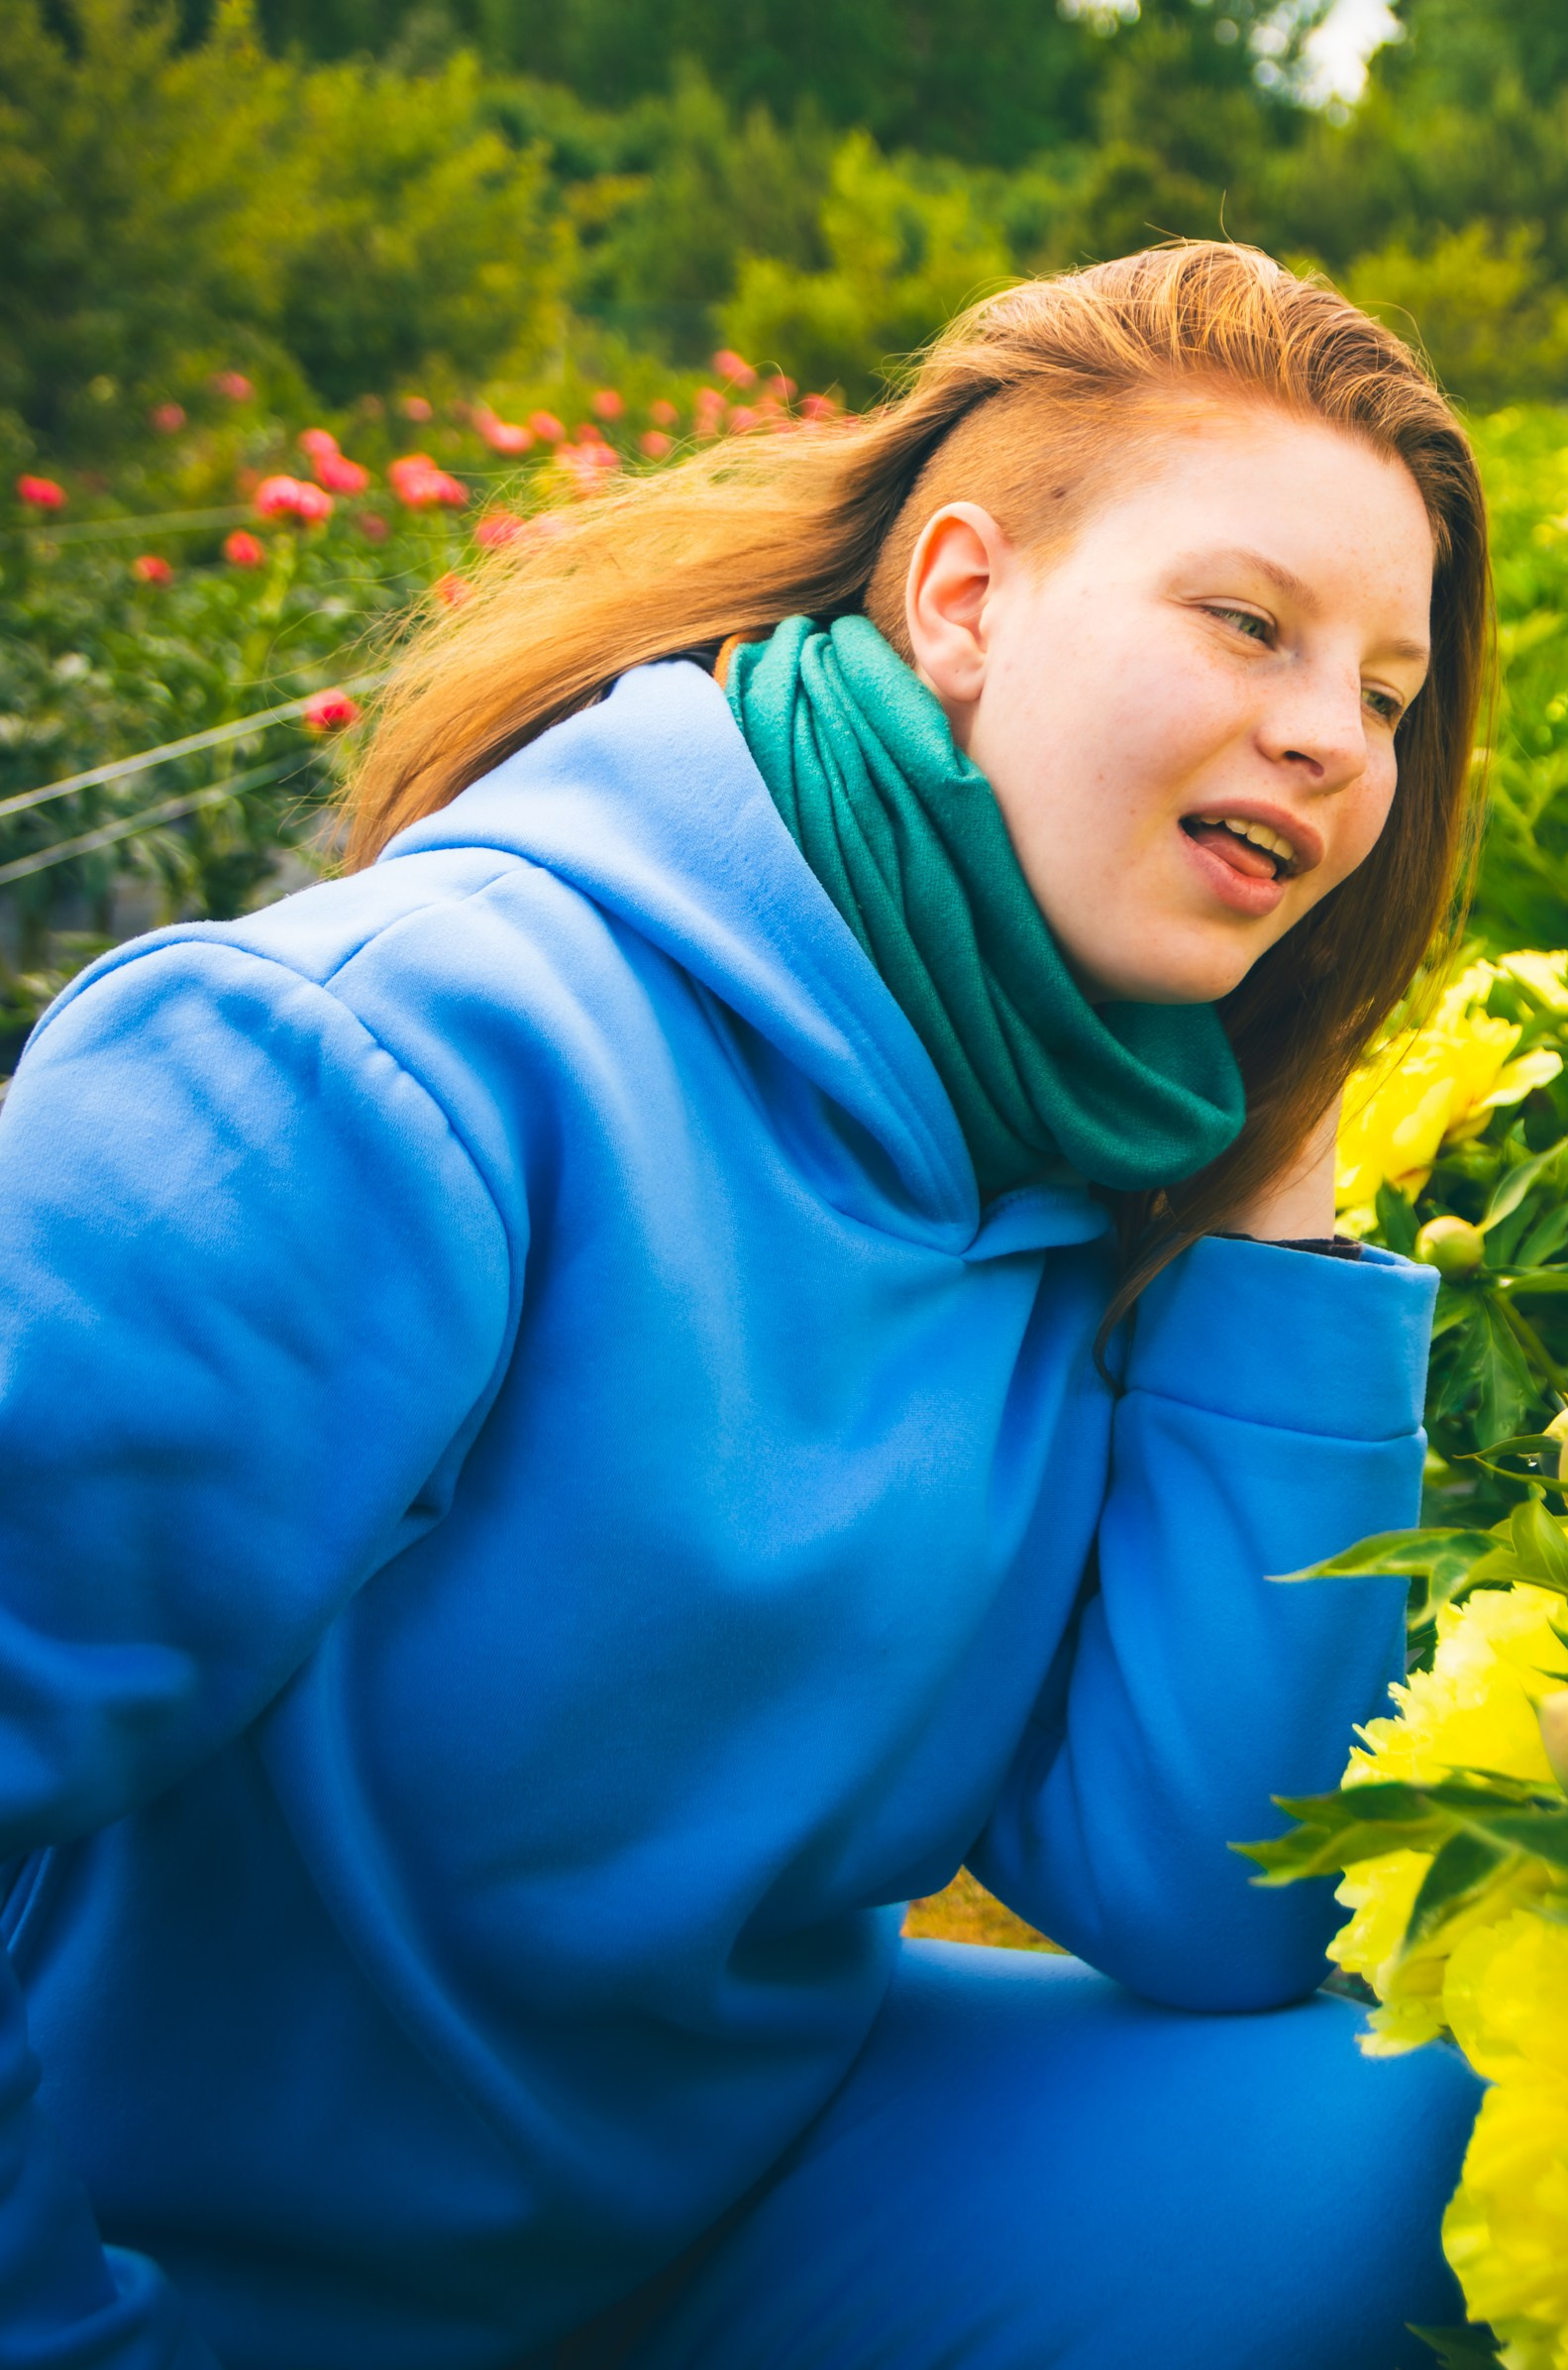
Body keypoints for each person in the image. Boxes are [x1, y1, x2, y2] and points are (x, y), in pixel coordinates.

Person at [0, 244, 1491, 2370]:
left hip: (729, 2182)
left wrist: (1273, 1192)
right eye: (1249, 622)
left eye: (1387, 692)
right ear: (964, 601)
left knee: (1445, 2131)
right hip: (215, 2264)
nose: (1331, 738)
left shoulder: (1065, 1121)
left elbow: (1222, 1898)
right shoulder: (380, 1061)